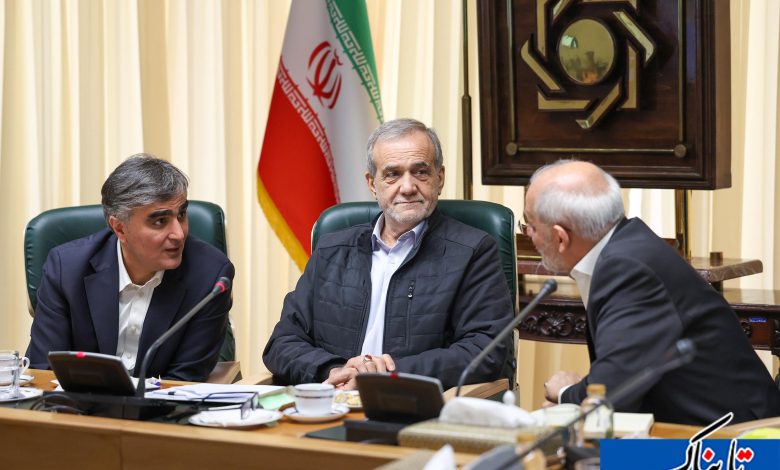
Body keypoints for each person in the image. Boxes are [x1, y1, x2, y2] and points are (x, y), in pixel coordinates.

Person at [263, 118, 514, 390]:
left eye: (420, 172)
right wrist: (333, 369)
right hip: (333, 399)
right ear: (372, 184)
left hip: (414, 403)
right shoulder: (331, 249)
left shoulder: (474, 251)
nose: (407, 187)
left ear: (439, 178)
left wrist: (388, 374)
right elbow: (282, 343)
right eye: (392, 174)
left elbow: (485, 350)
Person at [526, 159, 780, 425]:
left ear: (560, 237)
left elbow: (613, 393)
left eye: (530, 225)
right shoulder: (627, 247)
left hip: (733, 438)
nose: (529, 235)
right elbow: (625, 372)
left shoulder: (626, 269)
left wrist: (565, 393)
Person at [27, 154, 235, 381]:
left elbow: (185, 379)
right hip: (78, 402)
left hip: (162, 402)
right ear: (119, 229)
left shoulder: (211, 276)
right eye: (160, 221)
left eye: (182, 215)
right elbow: (44, 369)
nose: (178, 233)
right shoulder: (66, 269)